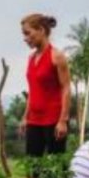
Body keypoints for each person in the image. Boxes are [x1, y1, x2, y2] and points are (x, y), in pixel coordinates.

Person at [19, 14, 71, 158]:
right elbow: (33, 91)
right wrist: (25, 117)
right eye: (24, 34)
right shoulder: (31, 58)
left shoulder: (57, 56)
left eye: (27, 33)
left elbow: (66, 88)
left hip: (54, 120)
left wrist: (63, 121)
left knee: (56, 168)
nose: (25, 38)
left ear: (41, 30)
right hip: (34, 120)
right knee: (32, 168)